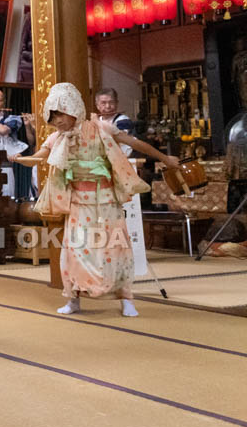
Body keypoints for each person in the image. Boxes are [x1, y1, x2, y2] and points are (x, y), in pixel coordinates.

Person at [12, 83, 179, 317]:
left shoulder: (101, 128)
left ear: (73, 108)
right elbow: (39, 157)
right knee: (75, 251)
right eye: (53, 116)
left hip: (106, 199)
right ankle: (74, 299)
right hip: (78, 202)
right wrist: (22, 159)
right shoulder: (57, 138)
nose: (58, 120)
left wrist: (164, 158)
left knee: (115, 248)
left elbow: (134, 143)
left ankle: (126, 299)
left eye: (60, 113)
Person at [94, 87, 135, 157]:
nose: (108, 106)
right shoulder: (96, 121)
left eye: (111, 102)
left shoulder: (124, 121)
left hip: (122, 158)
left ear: (117, 103)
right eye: (103, 103)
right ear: (97, 105)